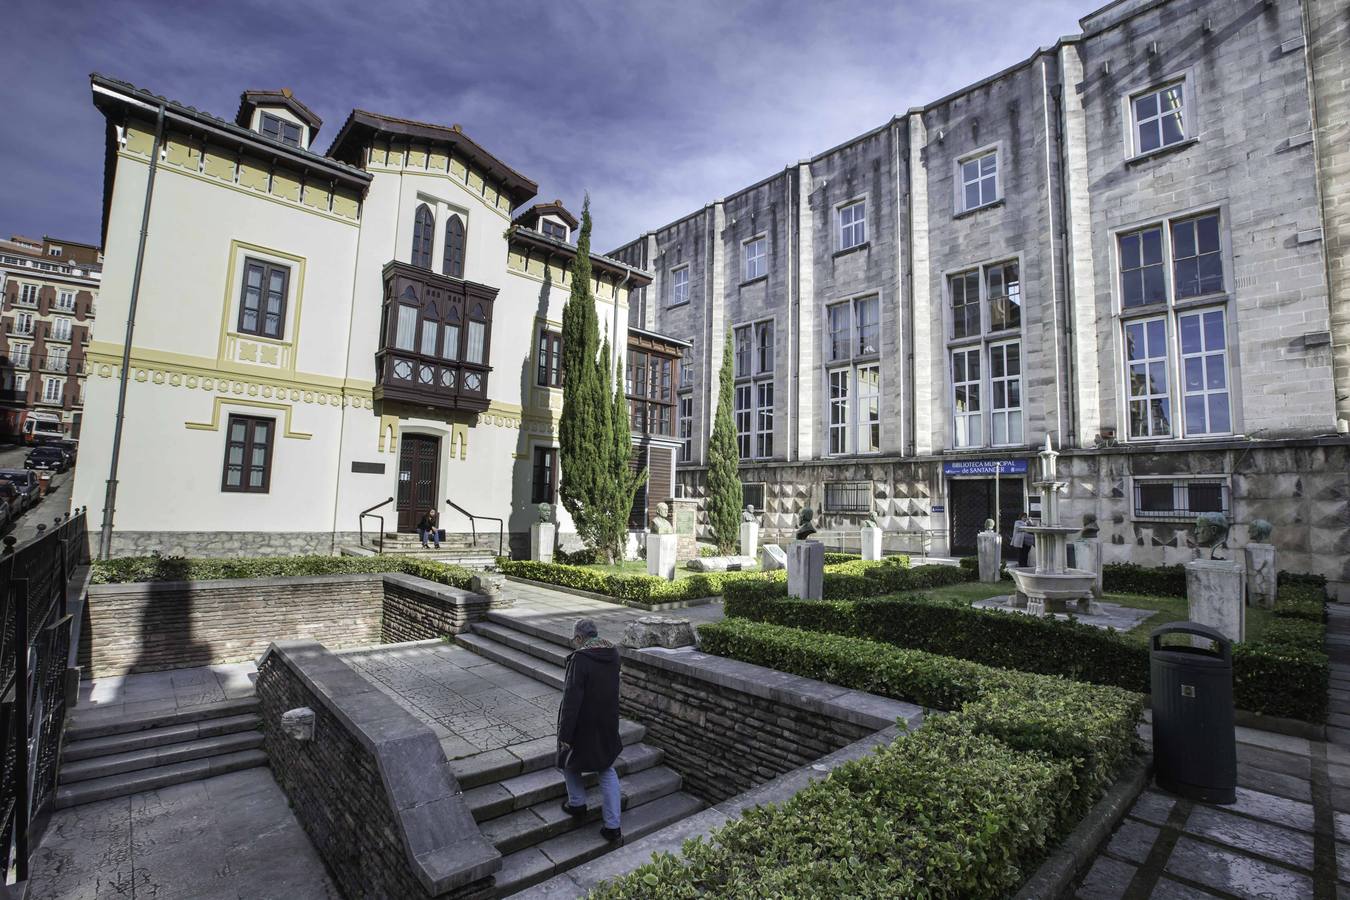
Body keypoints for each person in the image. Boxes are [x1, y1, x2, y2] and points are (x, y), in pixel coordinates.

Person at [557, 618, 623, 843]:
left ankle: (577, 803)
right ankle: (613, 826)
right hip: (607, 721)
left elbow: (571, 701)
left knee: (568, 758)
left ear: (579, 638)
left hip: (583, 724)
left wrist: (565, 734)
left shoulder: (580, 659)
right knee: (606, 768)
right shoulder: (612, 653)